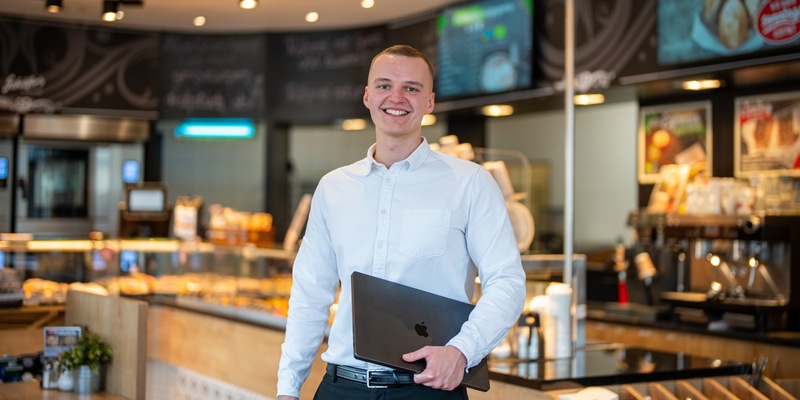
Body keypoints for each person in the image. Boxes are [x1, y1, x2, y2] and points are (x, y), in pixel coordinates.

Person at [276, 44, 526, 400]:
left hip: (427, 388)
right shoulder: (334, 188)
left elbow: (508, 282)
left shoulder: (470, 182)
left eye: (411, 87)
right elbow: (310, 293)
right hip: (341, 387)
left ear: (430, 102)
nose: (396, 97)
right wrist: (288, 387)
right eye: (384, 85)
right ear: (367, 96)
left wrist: (462, 351)